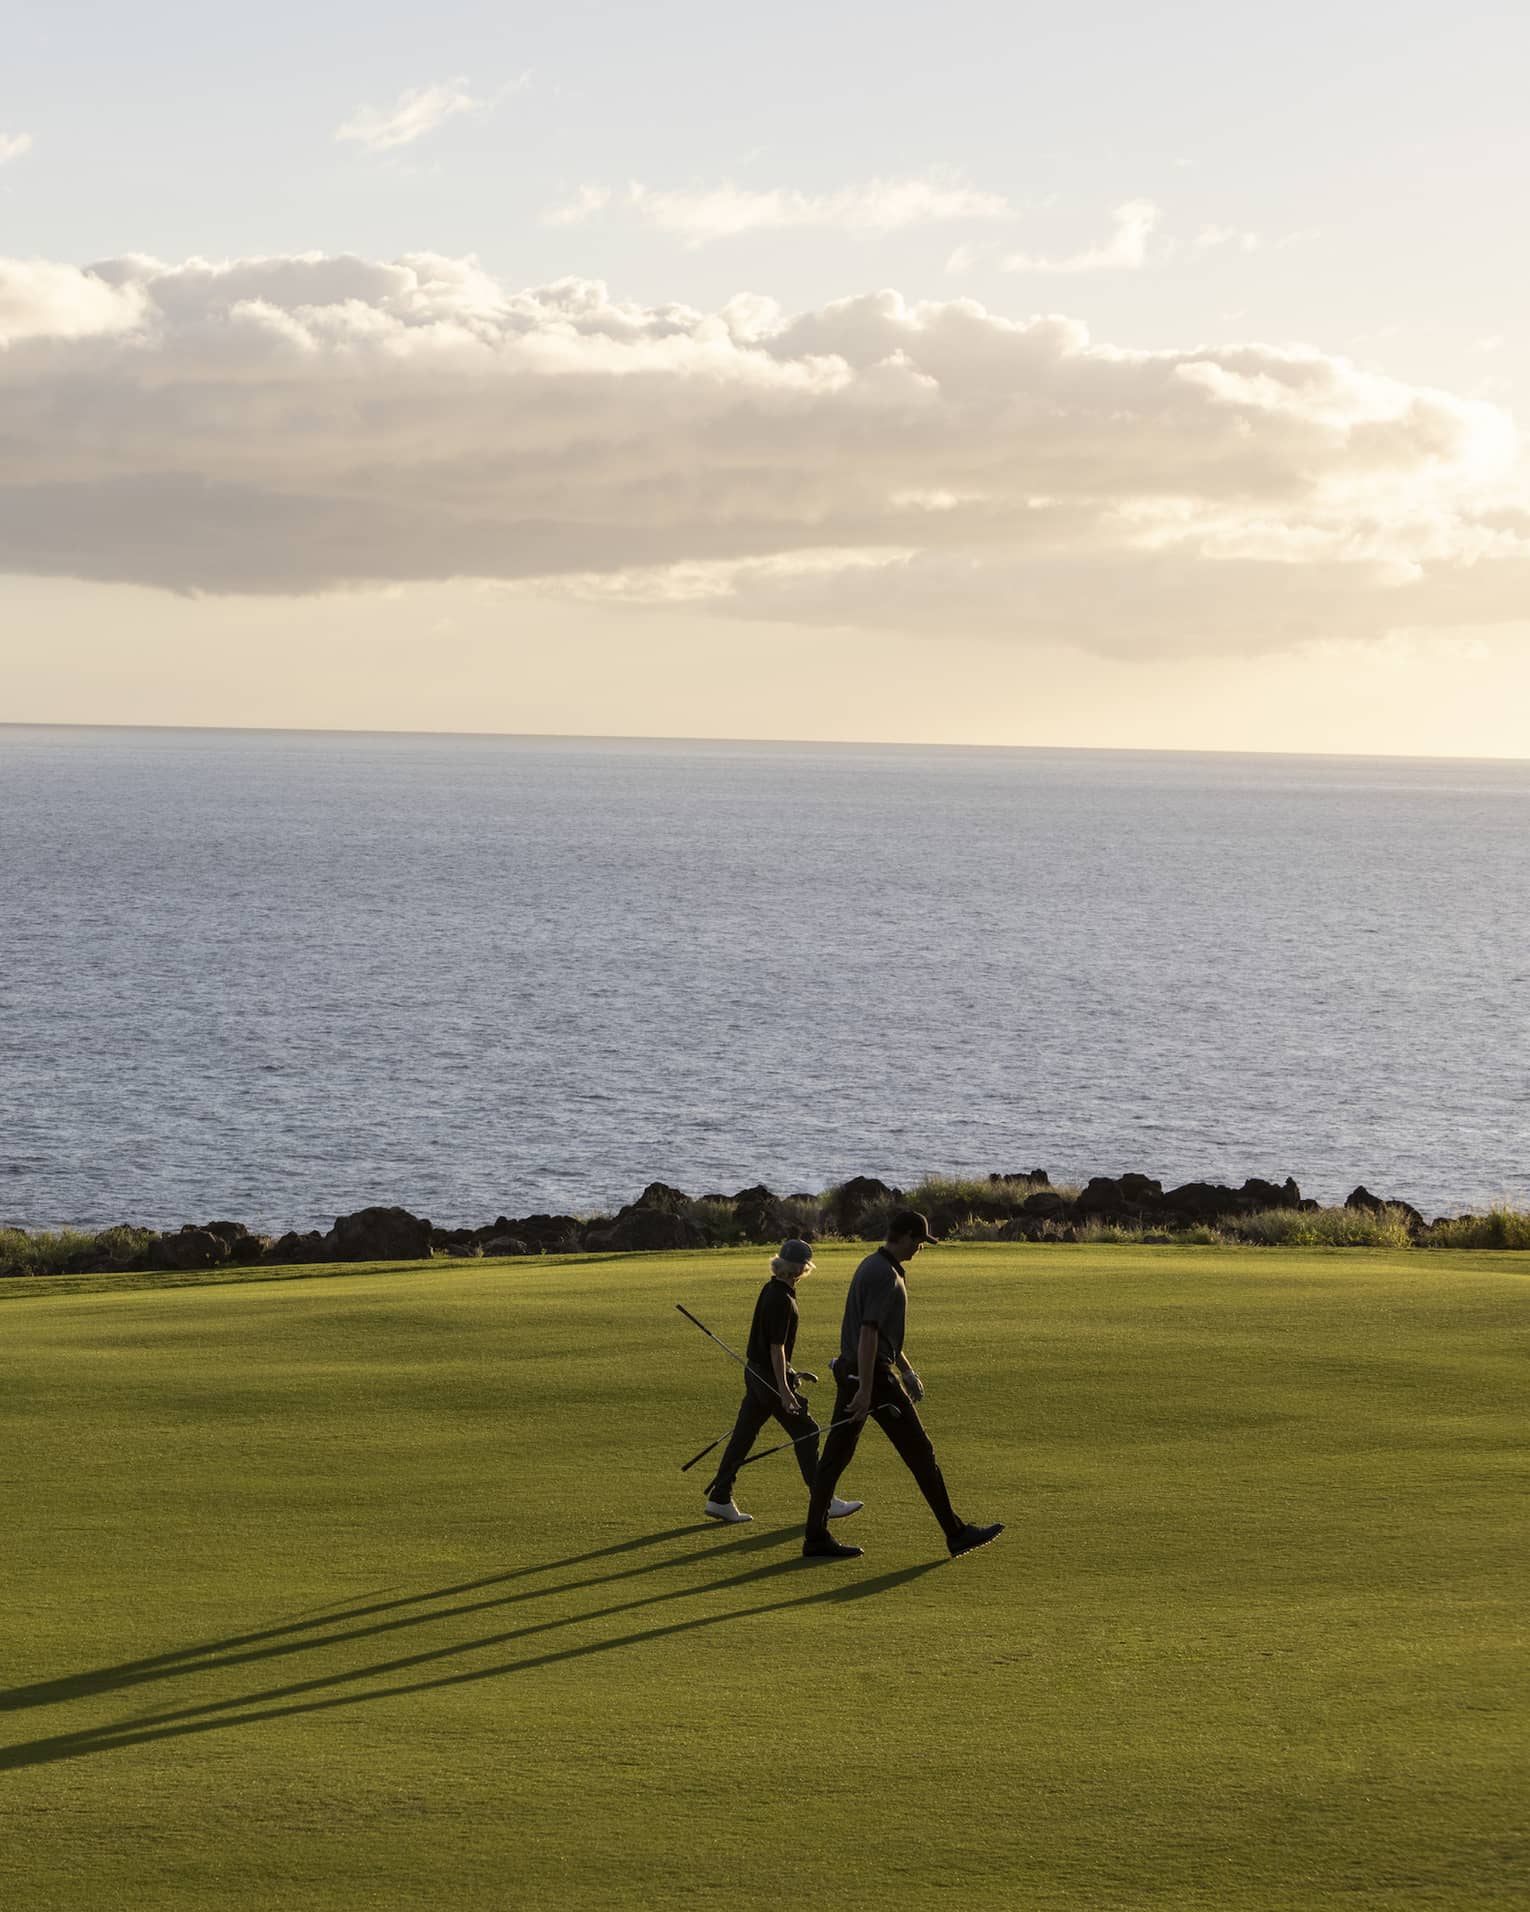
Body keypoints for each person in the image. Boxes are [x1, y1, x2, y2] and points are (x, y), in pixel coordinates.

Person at [802, 1209, 1003, 1561]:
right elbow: (868, 1333)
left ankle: (815, 1537)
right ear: (907, 1236)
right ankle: (955, 1533)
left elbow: (882, 1335)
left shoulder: (874, 1265)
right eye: (920, 1242)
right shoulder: (884, 1275)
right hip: (872, 1378)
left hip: (857, 1371)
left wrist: (906, 1370)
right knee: (920, 1454)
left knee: (835, 1457)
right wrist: (866, 1389)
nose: (920, 1249)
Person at [704, 1239, 864, 1527]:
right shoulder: (782, 1299)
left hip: (755, 1374)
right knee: (808, 1431)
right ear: (804, 1268)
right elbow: (776, 1349)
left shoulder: (772, 1288)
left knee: (743, 1435)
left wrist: (787, 1376)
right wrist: (785, 1390)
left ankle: (720, 1497)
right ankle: (823, 1501)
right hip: (766, 1377)